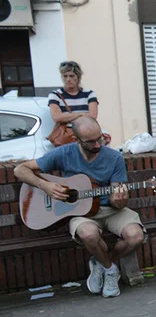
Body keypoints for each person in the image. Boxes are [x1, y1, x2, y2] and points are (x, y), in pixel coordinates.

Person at [14, 116, 144, 299]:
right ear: (76, 140)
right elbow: (20, 170)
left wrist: (120, 199)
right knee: (89, 234)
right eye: (90, 142)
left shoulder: (114, 158)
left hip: (111, 210)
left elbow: (117, 201)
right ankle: (111, 271)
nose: (97, 145)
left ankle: (104, 263)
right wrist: (46, 186)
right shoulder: (63, 153)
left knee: (136, 236)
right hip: (81, 213)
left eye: (99, 138)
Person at [48, 61, 99, 133]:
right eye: (65, 76)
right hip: (66, 135)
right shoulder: (55, 95)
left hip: (87, 133)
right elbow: (57, 117)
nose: (68, 79)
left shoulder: (89, 94)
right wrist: (81, 114)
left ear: (78, 77)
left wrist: (66, 117)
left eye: (71, 76)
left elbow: (93, 116)